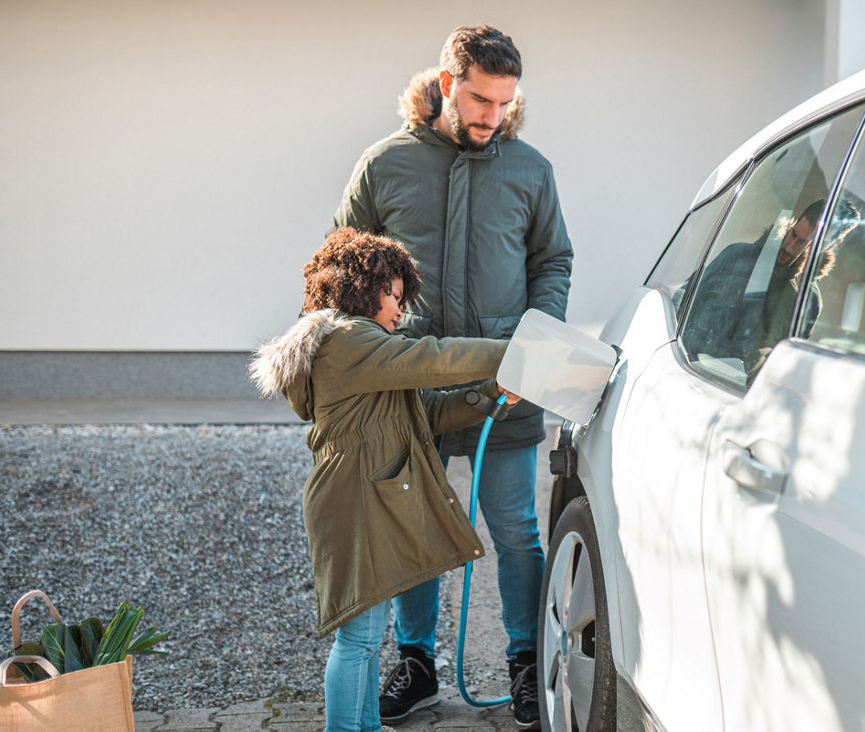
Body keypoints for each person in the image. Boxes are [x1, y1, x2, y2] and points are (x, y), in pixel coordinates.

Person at [327, 25, 571, 729]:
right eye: (478, 99)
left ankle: (526, 665)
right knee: (410, 531)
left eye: (504, 103)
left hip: (505, 387)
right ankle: (418, 665)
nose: (491, 117)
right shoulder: (385, 164)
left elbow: (553, 260)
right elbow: (339, 259)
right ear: (445, 82)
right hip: (408, 395)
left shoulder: (530, 171)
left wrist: (537, 339)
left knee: (517, 532)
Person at [249, 228, 519, 732]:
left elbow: (425, 413)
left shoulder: (363, 350)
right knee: (357, 639)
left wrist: (488, 394)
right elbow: (434, 359)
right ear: (359, 288)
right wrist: (518, 351)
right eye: (392, 296)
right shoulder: (350, 341)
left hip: (357, 498)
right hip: (354, 502)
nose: (400, 310)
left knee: (367, 636)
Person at [745, 198, 859, 377]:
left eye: (816, 242)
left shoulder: (809, 302)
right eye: (798, 236)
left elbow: (779, 363)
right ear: (796, 223)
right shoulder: (743, 257)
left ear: (833, 245)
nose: (795, 247)